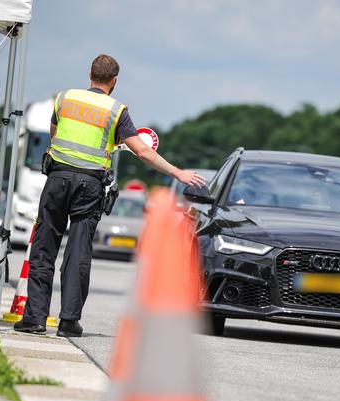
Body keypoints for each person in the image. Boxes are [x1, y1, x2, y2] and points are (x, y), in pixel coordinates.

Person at [14, 54, 205, 337]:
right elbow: (142, 151)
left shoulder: (65, 98)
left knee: (44, 249)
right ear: (114, 81)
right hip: (88, 186)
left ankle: (35, 319)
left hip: (57, 178)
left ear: (89, 74)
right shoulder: (116, 110)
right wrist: (178, 173)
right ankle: (68, 322)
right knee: (78, 253)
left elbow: (54, 133)